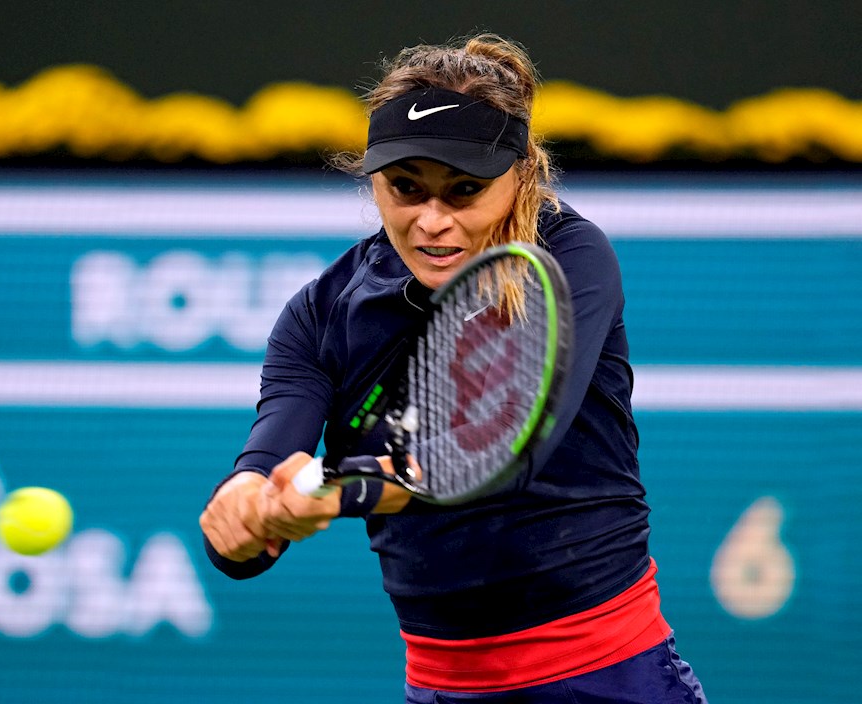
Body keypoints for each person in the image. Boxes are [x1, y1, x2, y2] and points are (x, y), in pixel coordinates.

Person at [200, 32, 708, 703]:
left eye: (464, 191)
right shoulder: (320, 313)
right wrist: (245, 512)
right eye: (405, 188)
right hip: (442, 685)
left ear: (521, 173)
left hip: (606, 676)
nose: (431, 222)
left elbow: (500, 452)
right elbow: (268, 460)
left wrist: (335, 487)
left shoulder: (571, 258)